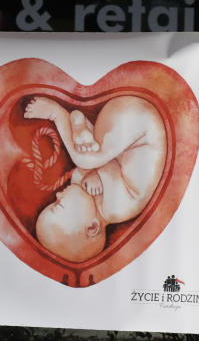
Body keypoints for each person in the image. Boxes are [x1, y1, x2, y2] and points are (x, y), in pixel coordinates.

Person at [23, 95, 166, 261]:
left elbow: (96, 168)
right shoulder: (116, 209)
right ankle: (57, 114)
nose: (57, 195)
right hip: (141, 126)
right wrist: (95, 174)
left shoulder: (95, 200)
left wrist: (87, 175)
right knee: (84, 159)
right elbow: (111, 166)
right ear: (92, 227)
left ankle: (81, 130)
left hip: (125, 129)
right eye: (58, 204)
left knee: (90, 158)